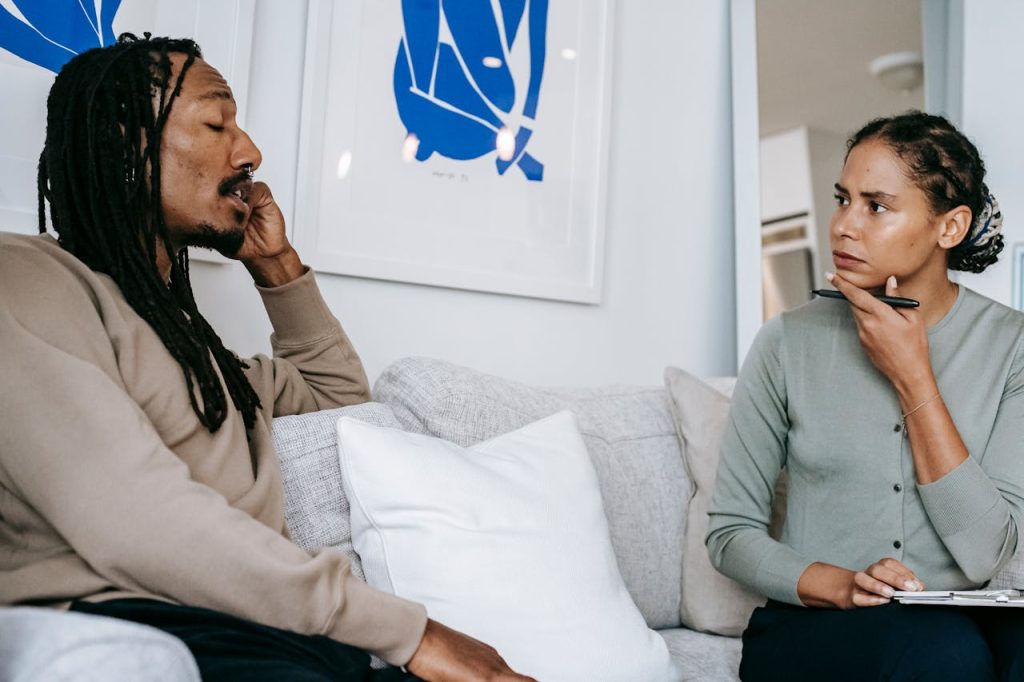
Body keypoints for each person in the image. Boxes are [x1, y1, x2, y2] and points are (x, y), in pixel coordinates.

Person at [0, 34, 534, 682]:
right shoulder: (26, 283)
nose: (249, 151)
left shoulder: (203, 360)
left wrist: (277, 267)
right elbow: (135, 520)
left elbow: (343, 407)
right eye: (217, 122)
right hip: (137, 634)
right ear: (127, 142)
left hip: (277, 640)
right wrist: (411, 633)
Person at [707, 110, 1024, 681]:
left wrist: (913, 376)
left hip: (961, 619)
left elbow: (986, 554)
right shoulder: (787, 341)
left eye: (876, 206)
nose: (844, 225)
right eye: (842, 199)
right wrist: (840, 584)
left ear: (949, 228)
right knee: (943, 656)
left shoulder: (1013, 347)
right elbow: (731, 534)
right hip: (816, 625)